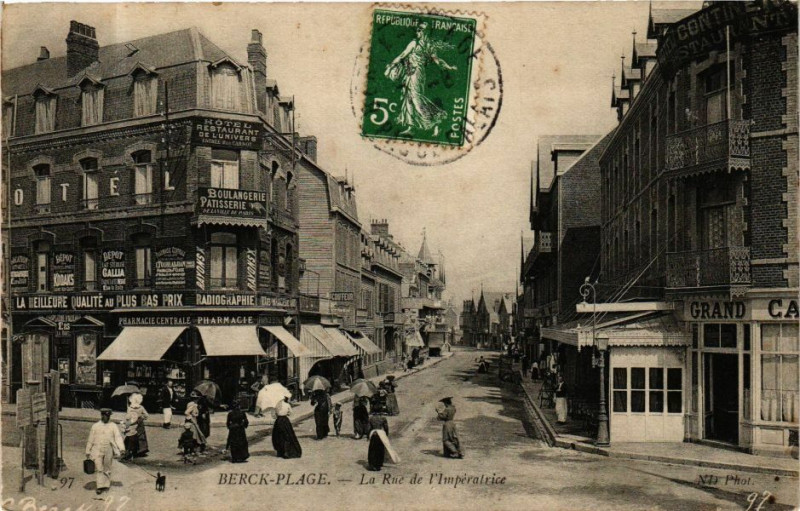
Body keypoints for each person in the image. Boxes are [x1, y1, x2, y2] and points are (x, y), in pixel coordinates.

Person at [384, 22, 454, 135]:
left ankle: (435, 122)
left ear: (425, 31)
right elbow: (403, 55)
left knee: (416, 98)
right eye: (417, 29)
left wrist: (448, 66)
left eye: (420, 29)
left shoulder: (427, 46)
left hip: (417, 73)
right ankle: (411, 127)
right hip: (410, 73)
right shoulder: (416, 43)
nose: (417, 31)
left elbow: (437, 61)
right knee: (408, 98)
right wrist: (392, 65)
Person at [85, 408, 126, 495]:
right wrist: (88, 450)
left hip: (108, 449)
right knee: (99, 468)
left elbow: (118, 437)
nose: (106, 417)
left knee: (107, 467)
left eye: (108, 416)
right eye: (104, 415)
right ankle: (100, 486)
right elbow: (90, 439)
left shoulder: (113, 426)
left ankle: (106, 485)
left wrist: (122, 448)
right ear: (101, 415)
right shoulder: (95, 426)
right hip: (97, 449)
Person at [122, 393, 149, 460]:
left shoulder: (129, 408)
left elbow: (127, 417)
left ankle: (129, 449)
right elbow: (146, 415)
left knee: (131, 435)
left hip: (132, 423)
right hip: (139, 423)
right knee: (140, 435)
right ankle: (141, 450)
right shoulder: (141, 407)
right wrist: (142, 417)